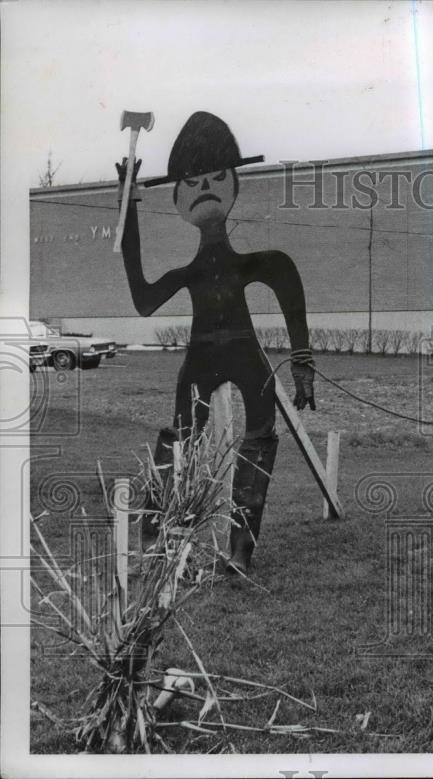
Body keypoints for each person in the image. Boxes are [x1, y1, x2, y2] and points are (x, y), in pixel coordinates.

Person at [117, 111, 315, 574]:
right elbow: (144, 300)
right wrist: (127, 210)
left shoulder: (260, 263)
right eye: (192, 181)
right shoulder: (189, 274)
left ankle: (240, 551)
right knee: (179, 441)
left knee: (259, 438)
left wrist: (302, 364)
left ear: (232, 184)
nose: (205, 187)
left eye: (216, 176)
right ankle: (158, 541)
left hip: (246, 356)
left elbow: (288, 285)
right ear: (180, 196)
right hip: (201, 358)